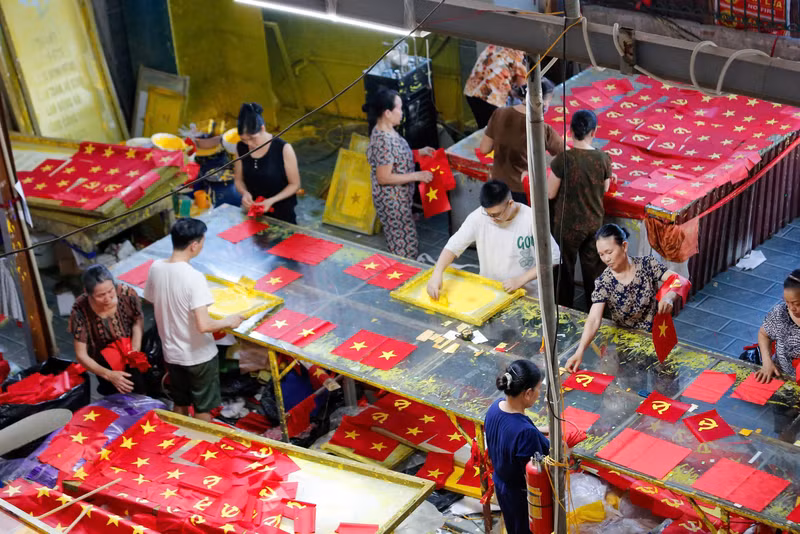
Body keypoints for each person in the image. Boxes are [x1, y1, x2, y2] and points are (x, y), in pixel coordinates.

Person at [144, 218, 244, 421]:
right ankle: (201, 448)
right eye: (202, 241)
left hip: (172, 354)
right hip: (199, 357)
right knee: (202, 410)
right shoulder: (194, 277)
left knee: (180, 403)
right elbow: (204, 325)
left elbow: (151, 299)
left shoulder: (156, 267)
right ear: (194, 245)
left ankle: (177, 440)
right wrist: (229, 321)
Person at [565, 224, 683, 372]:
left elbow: (679, 280)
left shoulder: (647, 265)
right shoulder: (604, 282)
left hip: (659, 335)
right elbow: (594, 319)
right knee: (631, 385)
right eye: (601, 254)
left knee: (666, 385)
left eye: (609, 252)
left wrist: (669, 297)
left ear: (624, 246)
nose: (606, 259)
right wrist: (579, 351)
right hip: (628, 343)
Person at [426, 180, 559, 298]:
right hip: (490, 292)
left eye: (496, 215)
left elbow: (553, 258)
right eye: (488, 214)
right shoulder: (479, 217)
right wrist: (437, 273)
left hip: (527, 294)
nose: (492, 219)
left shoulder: (531, 219)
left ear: (510, 204)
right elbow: (453, 246)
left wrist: (521, 280)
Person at [549, 109, 612, 311]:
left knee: (564, 270)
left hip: (566, 225)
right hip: (593, 223)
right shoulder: (603, 158)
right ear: (593, 132)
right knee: (594, 269)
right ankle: (595, 312)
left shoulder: (562, 160)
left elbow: (550, 193)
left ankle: (564, 311)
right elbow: (605, 187)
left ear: (570, 131)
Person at [364, 87, 433, 259]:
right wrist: (418, 176)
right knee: (403, 247)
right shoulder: (383, 141)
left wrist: (418, 153)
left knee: (406, 239)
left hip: (400, 200)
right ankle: (404, 278)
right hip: (392, 203)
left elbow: (397, 158)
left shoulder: (388, 131)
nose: (402, 113)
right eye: (399, 108)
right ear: (387, 113)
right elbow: (384, 177)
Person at [485, 359, 549, 534]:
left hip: (503, 486)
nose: (540, 394)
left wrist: (544, 430)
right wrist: (565, 452)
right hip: (522, 499)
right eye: (539, 389)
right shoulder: (525, 433)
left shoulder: (495, 407)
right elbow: (537, 475)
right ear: (528, 393)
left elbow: (512, 431)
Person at [478, 78, 563, 204]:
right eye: (549, 100)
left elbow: (484, 149)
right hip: (522, 190)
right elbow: (566, 154)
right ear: (542, 102)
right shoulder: (542, 128)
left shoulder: (499, 113)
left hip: (496, 188)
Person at [68, 265, 143, 395]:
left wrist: (135, 349)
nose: (108, 298)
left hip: (130, 352)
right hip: (102, 362)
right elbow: (81, 355)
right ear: (87, 292)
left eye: (110, 291)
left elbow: (137, 320)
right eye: (101, 295)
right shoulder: (80, 310)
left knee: (140, 391)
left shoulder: (127, 294)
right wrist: (109, 375)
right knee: (114, 398)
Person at [234, 102, 301, 224]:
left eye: (252, 138)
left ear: (263, 129)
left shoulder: (283, 148)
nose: (249, 144)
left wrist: (272, 200)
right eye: (244, 140)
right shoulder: (240, 148)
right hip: (253, 213)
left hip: (282, 214)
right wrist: (245, 193)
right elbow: (238, 180)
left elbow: (294, 184)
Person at [464, 45, 527, 129]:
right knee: (494, 132)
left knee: (484, 128)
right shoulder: (518, 54)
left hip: (472, 92)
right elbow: (522, 87)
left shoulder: (496, 44)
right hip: (491, 97)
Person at [755, 270, 800, 383]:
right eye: (787, 302)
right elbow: (763, 334)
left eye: (797, 304)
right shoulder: (781, 313)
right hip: (781, 376)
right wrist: (767, 362)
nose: (791, 308)